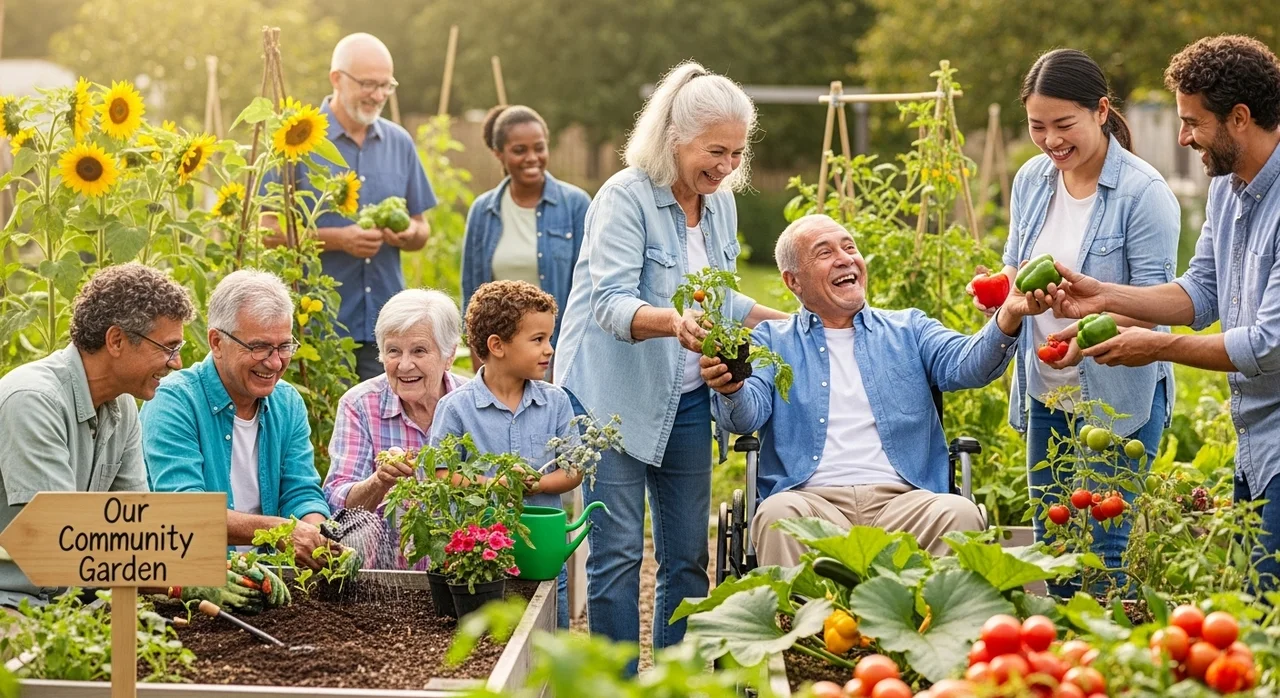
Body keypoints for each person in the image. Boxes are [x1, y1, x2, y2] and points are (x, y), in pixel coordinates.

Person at [552, 60, 788, 662]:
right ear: (675, 138)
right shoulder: (625, 197)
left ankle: (675, 678)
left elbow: (719, 291)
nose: (728, 166)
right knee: (619, 552)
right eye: (716, 151)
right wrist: (674, 322)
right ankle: (617, 679)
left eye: (737, 153)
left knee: (686, 558)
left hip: (687, 397)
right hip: (612, 397)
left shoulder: (721, 204)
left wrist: (787, 320)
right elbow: (609, 302)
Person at [1047, 35, 1280, 590]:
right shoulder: (1229, 189)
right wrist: (1103, 296)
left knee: (1267, 616)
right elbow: (1199, 293)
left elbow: (1269, 344)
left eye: (1192, 122)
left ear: (1239, 118)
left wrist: (1156, 345)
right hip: (1258, 445)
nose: (1182, 137)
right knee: (1256, 618)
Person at [965, 48, 1180, 592]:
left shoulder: (1143, 193)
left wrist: (1091, 316)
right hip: (1047, 389)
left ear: (1101, 111)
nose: (1051, 140)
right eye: (1038, 126)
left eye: (1064, 125)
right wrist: (1004, 292)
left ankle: (1103, 665)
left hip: (1118, 394)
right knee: (1054, 549)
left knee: (1106, 549)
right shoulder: (1033, 179)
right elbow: (1017, 263)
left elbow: (1162, 302)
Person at [705, 215, 1036, 567]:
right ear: (793, 281)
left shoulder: (909, 328)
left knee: (959, 514)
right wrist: (732, 387)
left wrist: (1008, 316)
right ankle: (806, 623)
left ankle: (933, 622)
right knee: (776, 516)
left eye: (850, 247)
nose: (845, 258)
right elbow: (746, 415)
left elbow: (967, 364)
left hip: (906, 502)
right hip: (810, 501)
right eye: (824, 252)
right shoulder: (771, 340)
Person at [0, 264, 193, 608]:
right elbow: (61, 539)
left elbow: (136, 533)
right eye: (168, 347)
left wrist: (211, 571)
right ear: (116, 340)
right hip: (12, 602)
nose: (176, 363)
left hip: (73, 602)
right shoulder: (33, 400)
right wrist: (182, 582)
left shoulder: (124, 405)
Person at [263, 33, 437, 381]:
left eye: (385, 85)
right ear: (336, 79)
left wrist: (406, 234)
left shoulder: (399, 142)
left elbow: (422, 229)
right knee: (320, 429)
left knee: (388, 428)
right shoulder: (298, 139)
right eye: (368, 83)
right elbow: (267, 231)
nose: (377, 94)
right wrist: (339, 239)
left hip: (386, 328)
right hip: (317, 326)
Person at [141, 271, 337, 571]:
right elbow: (184, 512)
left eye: (284, 346)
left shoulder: (287, 402)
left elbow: (299, 490)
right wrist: (281, 531)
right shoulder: (175, 401)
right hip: (199, 579)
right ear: (217, 342)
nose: (274, 362)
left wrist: (316, 534)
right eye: (259, 347)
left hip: (274, 577)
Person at [429, 280, 581, 628]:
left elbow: (574, 470)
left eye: (549, 338)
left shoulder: (555, 402)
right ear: (497, 346)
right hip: (481, 561)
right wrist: (492, 483)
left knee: (550, 640)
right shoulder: (456, 408)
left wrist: (540, 484)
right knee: (487, 643)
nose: (549, 349)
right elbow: (441, 474)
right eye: (538, 339)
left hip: (542, 554)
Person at [322, 288, 469, 569]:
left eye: (419, 351)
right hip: (385, 581)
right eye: (393, 351)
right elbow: (336, 504)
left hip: (464, 574)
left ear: (449, 355)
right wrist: (379, 481)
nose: (404, 365)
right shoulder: (360, 405)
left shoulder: (472, 403)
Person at [461, 105, 591, 367]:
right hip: (502, 359)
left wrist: (566, 367)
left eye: (539, 148)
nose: (532, 157)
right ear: (499, 154)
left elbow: (588, 292)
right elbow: (472, 298)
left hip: (560, 355)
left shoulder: (575, 205)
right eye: (519, 150)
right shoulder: (483, 211)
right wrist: (481, 370)